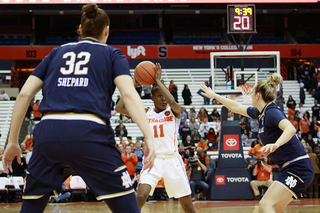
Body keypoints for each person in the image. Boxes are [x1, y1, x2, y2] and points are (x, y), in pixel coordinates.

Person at [2, 4, 155, 213]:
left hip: (48, 134)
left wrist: (12, 142)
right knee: (128, 209)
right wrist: (149, 137)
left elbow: (24, 95)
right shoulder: (113, 54)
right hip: (89, 132)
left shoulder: (56, 53)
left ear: (80, 29)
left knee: (31, 208)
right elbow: (128, 94)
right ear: (107, 31)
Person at [200, 73, 314, 213]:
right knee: (275, 208)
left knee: (265, 205)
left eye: (252, 92)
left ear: (258, 95)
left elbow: (290, 128)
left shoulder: (272, 111)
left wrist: (276, 144)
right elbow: (236, 106)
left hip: (299, 168)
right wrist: (215, 95)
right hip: (291, 167)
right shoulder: (261, 113)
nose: (250, 94)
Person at [116, 63, 195, 212]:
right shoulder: (146, 113)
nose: (164, 99)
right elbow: (119, 108)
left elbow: (173, 102)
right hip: (154, 159)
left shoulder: (174, 112)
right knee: (140, 196)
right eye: (160, 96)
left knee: (187, 205)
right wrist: (133, 84)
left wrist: (158, 81)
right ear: (152, 97)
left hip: (172, 159)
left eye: (164, 95)